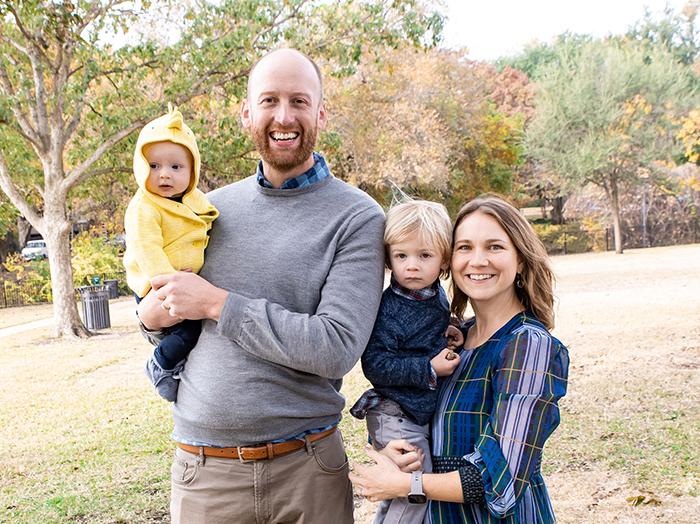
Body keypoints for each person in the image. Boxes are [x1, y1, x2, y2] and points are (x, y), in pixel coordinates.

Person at [136, 48, 386, 524]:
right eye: (269, 100)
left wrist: (217, 304)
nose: (284, 116)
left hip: (307, 469)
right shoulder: (204, 210)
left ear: (320, 113)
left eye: (299, 101)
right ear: (247, 113)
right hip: (205, 473)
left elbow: (336, 347)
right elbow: (164, 309)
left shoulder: (357, 217)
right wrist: (149, 320)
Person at [350, 194, 570, 524]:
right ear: (451, 260)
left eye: (494, 247)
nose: (477, 260)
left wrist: (406, 483)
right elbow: (424, 418)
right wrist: (394, 449)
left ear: (521, 260)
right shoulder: (452, 340)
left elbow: (501, 480)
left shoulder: (527, 345)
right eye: (465, 247)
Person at [350, 199, 462, 524]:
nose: (411, 266)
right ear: (389, 258)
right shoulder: (390, 308)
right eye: (401, 256)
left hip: (412, 411)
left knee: (402, 493)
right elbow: (375, 364)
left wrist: (450, 329)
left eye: (424, 256)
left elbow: (427, 329)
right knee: (414, 492)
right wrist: (429, 368)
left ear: (443, 261)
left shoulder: (433, 295)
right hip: (395, 413)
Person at [123, 104, 219, 402]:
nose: (164, 175)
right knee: (189, 332)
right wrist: (168, 285)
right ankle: (161, 365)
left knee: (194, 331)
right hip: (160, 287)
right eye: (154, 166)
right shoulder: (144, 206)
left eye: (176, 167)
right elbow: (147, 248)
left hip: (182, 286)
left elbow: (208, 217)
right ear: (141, 167)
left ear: (192, 172)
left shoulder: (193, 200)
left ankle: (173, 363)